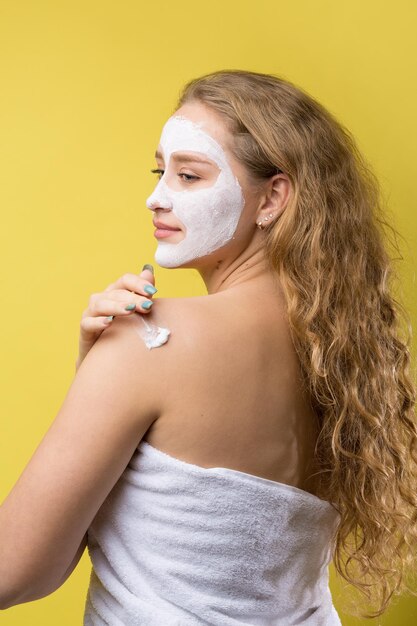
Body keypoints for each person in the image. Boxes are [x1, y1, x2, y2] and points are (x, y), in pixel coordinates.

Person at [1, 70, 416, 625]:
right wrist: (95, 363)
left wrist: (107, 360)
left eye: (189, 176)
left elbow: (18, 571)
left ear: (272, 198)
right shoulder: (346, 358)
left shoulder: (151, 341)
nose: (155, 197)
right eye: (159, 171)